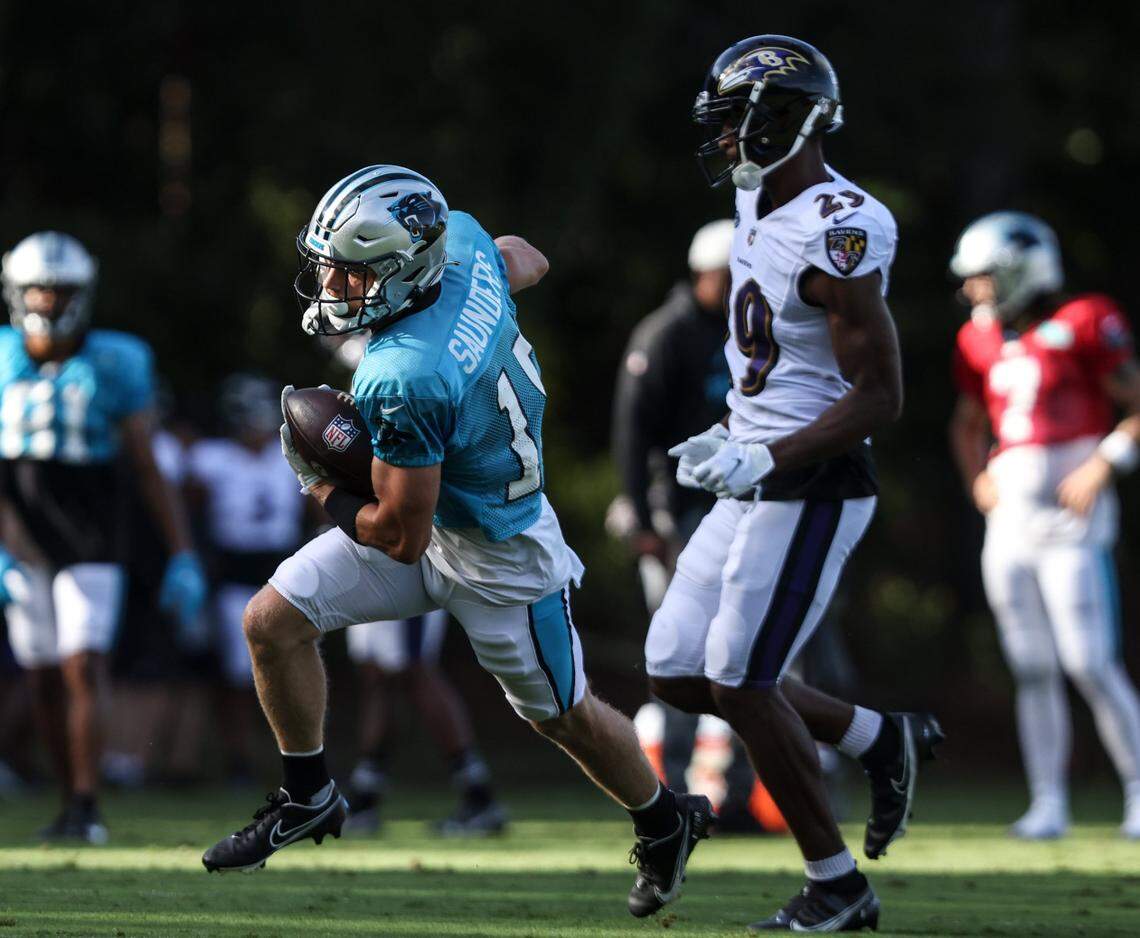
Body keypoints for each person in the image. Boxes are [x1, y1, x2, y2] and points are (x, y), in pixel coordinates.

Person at [201, 165, 712, 918]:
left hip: (499, 554)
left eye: (349, 272)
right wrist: (486, 310)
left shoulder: (403, 374)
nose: (333, 286)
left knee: (562, 716)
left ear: (403, 270)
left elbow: (397, 537)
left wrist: (316, 483)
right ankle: (309, 794)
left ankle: (666, 820)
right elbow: (525, 256)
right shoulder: (462, 245)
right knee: (270, 624)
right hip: (441, 520)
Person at [646, 36, 941, 931]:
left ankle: (838, 887)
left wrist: (767, 453)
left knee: (740, 680)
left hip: (816, 482)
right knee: (674, 668)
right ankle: (875, 734)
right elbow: (775, 361)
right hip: (752, 469)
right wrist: (735, 433)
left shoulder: (839, 225)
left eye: (738, 121)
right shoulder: (758, 205)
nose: (726, 140)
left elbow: (881, 395)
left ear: (787, 121)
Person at [0, 231, 207, 842]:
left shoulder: (118, 359)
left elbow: (146, 467)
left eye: (61, 289)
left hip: (91, 531)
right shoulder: (2, 355)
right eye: (39, 287)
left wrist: (183, 554)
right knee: (38, 677)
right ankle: (67, 798)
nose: (48, 300)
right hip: (19, 533)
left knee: (83, 665)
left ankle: (87, 804)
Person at [948, 211, 1140, 840]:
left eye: (983, 278)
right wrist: (979, 477)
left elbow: (1135, 406)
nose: (975, 291)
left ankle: (1138, 793)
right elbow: (967, 423)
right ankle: (1048, 802)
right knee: (1031, 666)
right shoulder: (978, 340)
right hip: (1011, 523)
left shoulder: (1087, 319)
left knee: (1089, 661)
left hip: (1070, 518)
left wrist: (1103, 464)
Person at [186, 373, 307, 782]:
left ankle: (303, 757)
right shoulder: (210, 458)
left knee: (298, 668)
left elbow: (321, 507)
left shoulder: (289, 453)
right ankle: (240, 760)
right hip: (235, 576)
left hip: (289, 575)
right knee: (240, 676)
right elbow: (190, 511)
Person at [343, 610, 508, 836]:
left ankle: (478, 796)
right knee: (376, 674)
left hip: (401, 577)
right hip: (367, 578)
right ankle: (364, 799)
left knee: (416, 668)